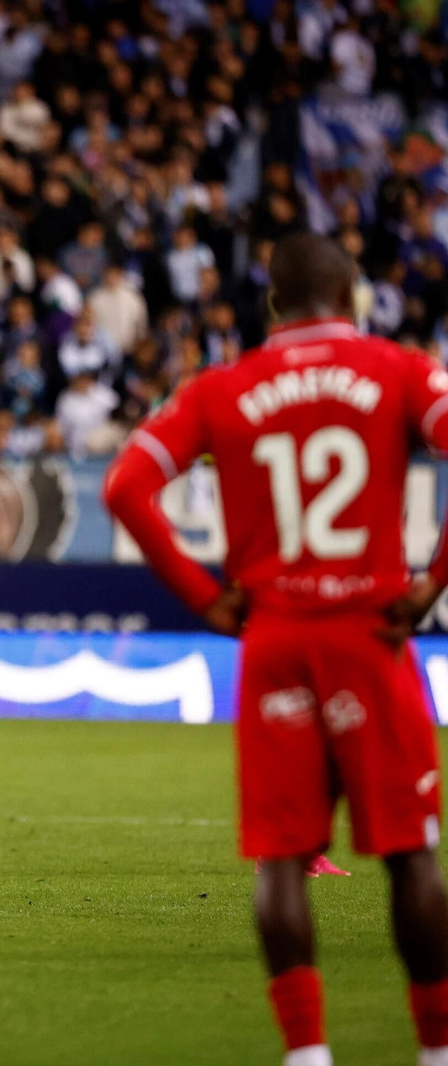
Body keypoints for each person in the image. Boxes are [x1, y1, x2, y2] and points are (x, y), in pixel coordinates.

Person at [103, 232, 448, 1066]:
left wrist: (206, 596)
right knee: (410, 856)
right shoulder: (399, 370)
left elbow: (126, 486)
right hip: (373, 631)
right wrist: (433, 580)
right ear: (352, 295)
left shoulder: (224, 387)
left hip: (275, 639)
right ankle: (436, 1052)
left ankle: (307, 1055)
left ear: (273, 305)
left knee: (283, 859)